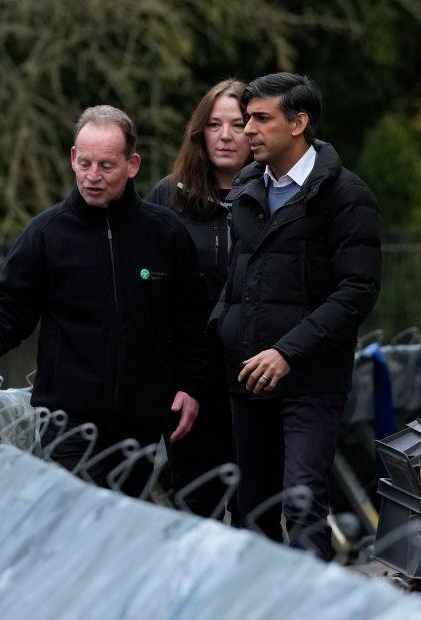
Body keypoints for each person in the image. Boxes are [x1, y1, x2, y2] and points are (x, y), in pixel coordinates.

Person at [0, 105, 211, 498]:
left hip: (141, 421)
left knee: (120, 529)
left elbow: (192, 318)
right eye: (84, 163)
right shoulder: (47, 233)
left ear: (132, 164)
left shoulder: (164, 233)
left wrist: (192, 385)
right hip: (66, 417)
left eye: (106, 165)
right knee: (74, 524)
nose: (93, 176)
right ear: (72, 159)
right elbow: (11, 303)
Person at [210, 73, 381, 560]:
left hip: (310, 381)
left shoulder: (347, 196)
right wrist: (224, 332)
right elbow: (238, 279)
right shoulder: (245, 189)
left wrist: (288, 352)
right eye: (247, 121)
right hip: (245, 379)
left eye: (261, 119)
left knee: (303, 505)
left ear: (299, 122)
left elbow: (357, 292)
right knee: (250, 510)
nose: (247, 132)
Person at [146, 79, 251, 519]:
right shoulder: (168, 198)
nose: (225, 135)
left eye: (238, 124)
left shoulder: (282, 198)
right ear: (200, 131)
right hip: (190, 382)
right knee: (196, 508)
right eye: (214, 124)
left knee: (258, 511)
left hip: (257, 377)